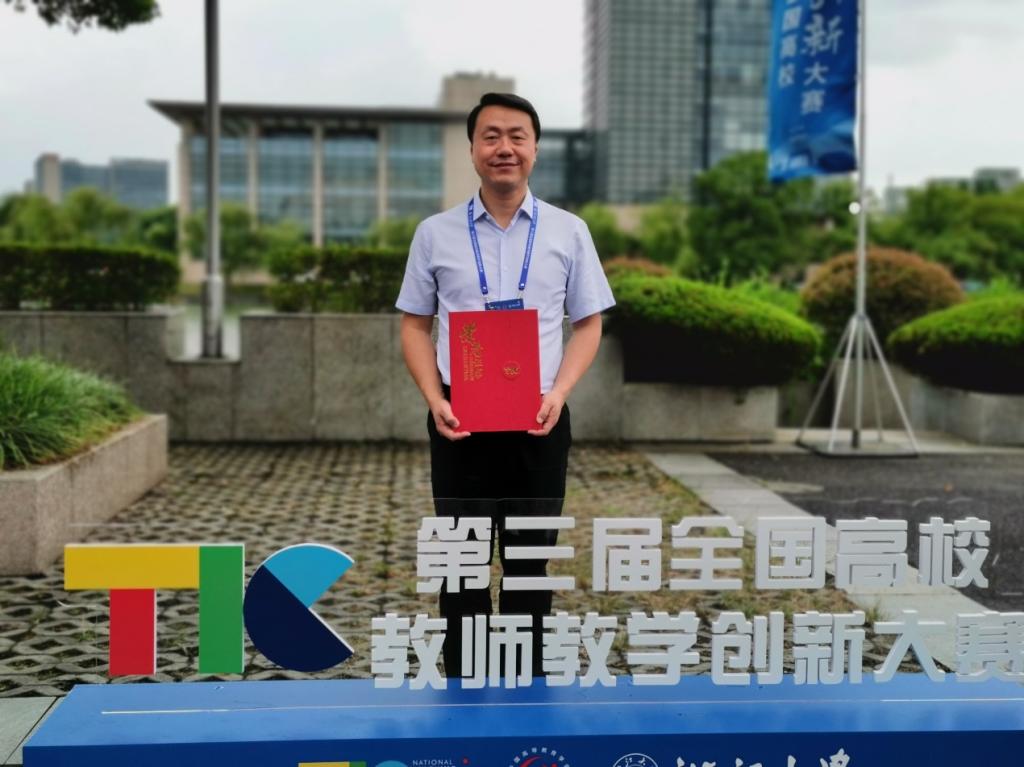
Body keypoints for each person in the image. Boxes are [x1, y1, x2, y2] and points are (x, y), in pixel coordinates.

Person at [396, 92, 615, 679]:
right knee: (461, 567)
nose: (504, 148)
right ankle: (465, 685)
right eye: (490, 136)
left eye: (517, 136)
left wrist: (559, 392)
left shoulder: (568, 231)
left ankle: (525, 684)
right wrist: (435, 399)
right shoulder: (435, 234)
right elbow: (414, 325)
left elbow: (589, 324)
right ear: (472, 149)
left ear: (535, 149)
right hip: (460, 422)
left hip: (539, 420)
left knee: (529, 563)